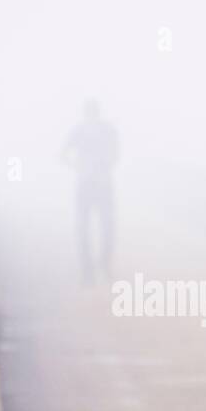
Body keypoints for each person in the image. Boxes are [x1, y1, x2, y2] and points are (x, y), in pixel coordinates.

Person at [61, 99, 119, 283]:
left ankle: (89, 271)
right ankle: (102, 267)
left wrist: (79, 166)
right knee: (105, 227)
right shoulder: (107, 130)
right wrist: (104, 165)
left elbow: (63, 154)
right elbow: (116, 154)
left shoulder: (80, 130)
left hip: (87, 184)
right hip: (101, 184)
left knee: (85, 228)